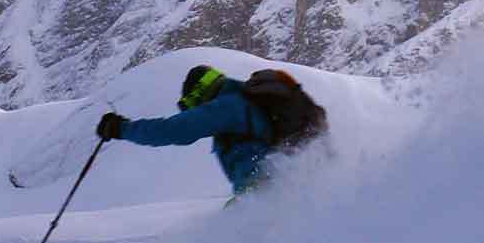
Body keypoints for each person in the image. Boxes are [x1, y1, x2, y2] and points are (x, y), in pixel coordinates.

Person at [95, 64, 324, 195]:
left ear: (199, 94)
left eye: (191, 106)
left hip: (265, 188)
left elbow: (173, 130)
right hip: (287, 182)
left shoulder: (227, 107)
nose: (193, 111)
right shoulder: (243, 101)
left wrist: (122, 129)